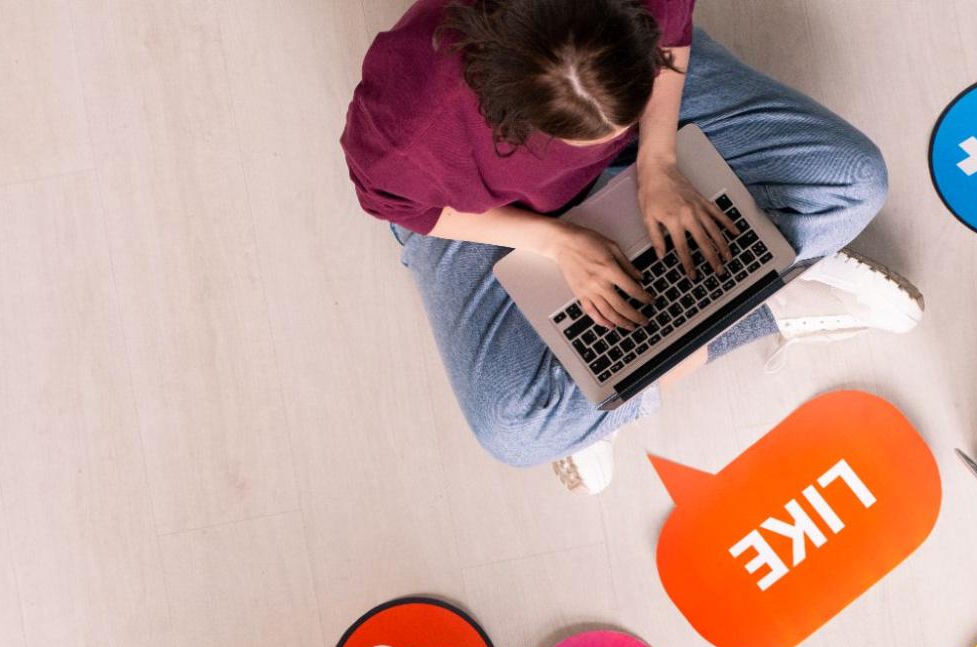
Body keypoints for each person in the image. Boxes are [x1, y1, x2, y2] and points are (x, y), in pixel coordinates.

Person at [342, 0, 922, 493]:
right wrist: (558, 241)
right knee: (513, 430)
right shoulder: (411, 124)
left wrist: (658, 157)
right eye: (590, 139)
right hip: (494, 212)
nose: (610, 145)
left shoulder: (636, 63)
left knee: (854, 181)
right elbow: (397, 205)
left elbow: (670, 29)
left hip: (640, 79)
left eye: (619, 127)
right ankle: (769, 305)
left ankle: (601, 404)